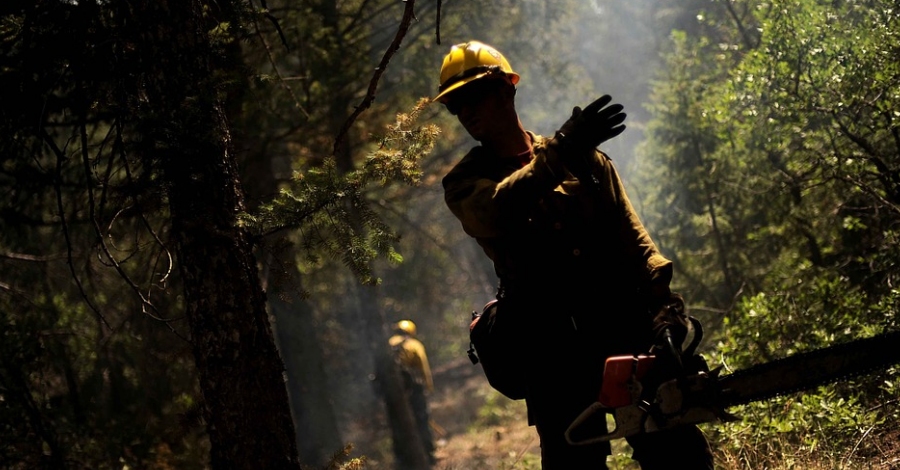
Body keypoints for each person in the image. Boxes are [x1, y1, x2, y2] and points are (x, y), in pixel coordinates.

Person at [434, 40, 715, 469]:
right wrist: (560, 152)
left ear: (507, 89)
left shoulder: (584, 158)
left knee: (678, 455)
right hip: (550, 350)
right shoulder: (466, 182)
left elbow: (634, 241)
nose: (466, 111)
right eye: (456, 105)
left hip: (624, 326)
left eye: (474, 96)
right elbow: (495, 211)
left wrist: (665, 312)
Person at [388, 319, 436, 465]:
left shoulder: (388, 345)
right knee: (421, 421)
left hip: (392, 394)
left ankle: (401, 459)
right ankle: (428, 453)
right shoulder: (414, 345)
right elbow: (423, 369)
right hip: (414, 392)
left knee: (397, 425)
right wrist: (428, 387)